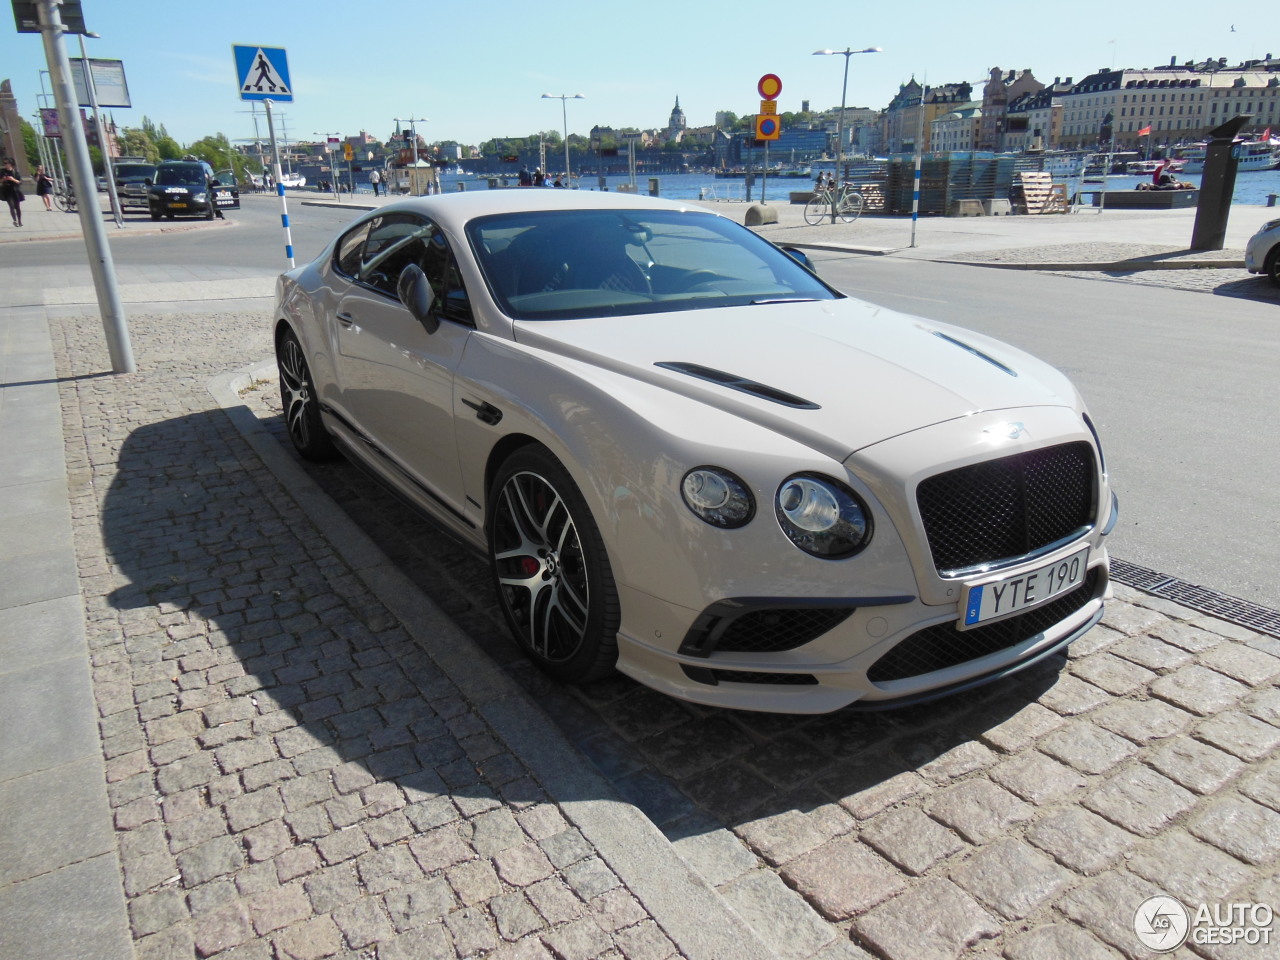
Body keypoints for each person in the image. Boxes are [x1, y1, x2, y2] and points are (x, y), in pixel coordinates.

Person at [1, 159, 23, 227]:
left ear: (11, 164)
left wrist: (12, 179)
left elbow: (20, 181)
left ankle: (19, 221)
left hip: (15, 190)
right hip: (7, 190)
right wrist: (4, 179)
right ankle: (14, 220)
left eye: (6, 163)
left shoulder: (15, 171)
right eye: (4, 163)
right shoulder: (2, 171)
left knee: (17, 207)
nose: (5, 165)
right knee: (11, 206)